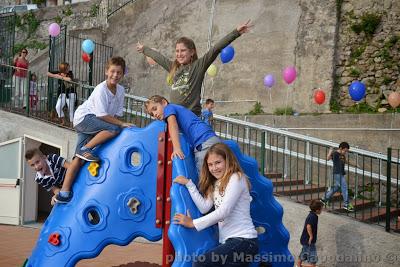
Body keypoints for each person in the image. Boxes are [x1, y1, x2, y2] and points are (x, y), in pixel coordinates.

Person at [55, 56, 134, 204]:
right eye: (112, 71)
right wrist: (122, 124)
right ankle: (86, 148)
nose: (115, 75)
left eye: (119, 73)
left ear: (123, 74)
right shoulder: (101, 89)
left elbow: (115, 114)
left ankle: (64, 193)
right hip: (84, 118)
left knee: (78, 159)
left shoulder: (121, 90)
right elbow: (102, 115)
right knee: (115, 128)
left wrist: (116, 124)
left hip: (94, 121)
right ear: (106, 72)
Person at [136, 20, 252, 116]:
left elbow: (216, 48)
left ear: (192, 52)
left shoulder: (198, 66)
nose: (179, 54)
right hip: (176, 116)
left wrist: (236, 32)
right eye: (177, 51)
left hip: (191, 116)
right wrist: (144, 49)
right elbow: (159, 57)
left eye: (183, 50)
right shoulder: (173, 67)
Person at [173, 143, 259, 267]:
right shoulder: (216, 184)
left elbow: (224, 211)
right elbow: (204, 207)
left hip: (244, 241)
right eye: (210, 165)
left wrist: (193, 223)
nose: (214, 168)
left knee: (201, 263)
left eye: (218, 162)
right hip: (232, 242)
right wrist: (189, 184)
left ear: (228, 161)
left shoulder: (236, 178)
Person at [145, 95, 220, 173]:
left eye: (155, 109)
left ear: (164, 103)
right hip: (209, 138)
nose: (155, 114)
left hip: (203, 141)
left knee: (204, 174)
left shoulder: (169, 108)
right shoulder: (176, 109)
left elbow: (173, 125)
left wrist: (177, 148)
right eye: (152, 114)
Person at [321, 142, 354, 212]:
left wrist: (354, 165)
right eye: (345, 150)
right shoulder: (335, 153)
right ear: (341, 148)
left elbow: (346, 161)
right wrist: (330, 151)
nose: (345, 152)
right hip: (337, 173)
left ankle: (324, 199)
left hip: (341, 173)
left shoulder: (343, 155)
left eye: (346, 151)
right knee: (344, 187)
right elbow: (328, 158)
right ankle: (346, 204)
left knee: (337, 187)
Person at [297, 200, 323, 267]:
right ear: (317, 210)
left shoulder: (312, 215)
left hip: (305, 240)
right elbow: (308, 226)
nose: (322, 210)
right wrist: (311, 236)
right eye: (321, 209)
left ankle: (299, 264)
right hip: (309, 241)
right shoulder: (313, 217)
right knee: (312, 255)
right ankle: (312, 265)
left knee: (304, 252)